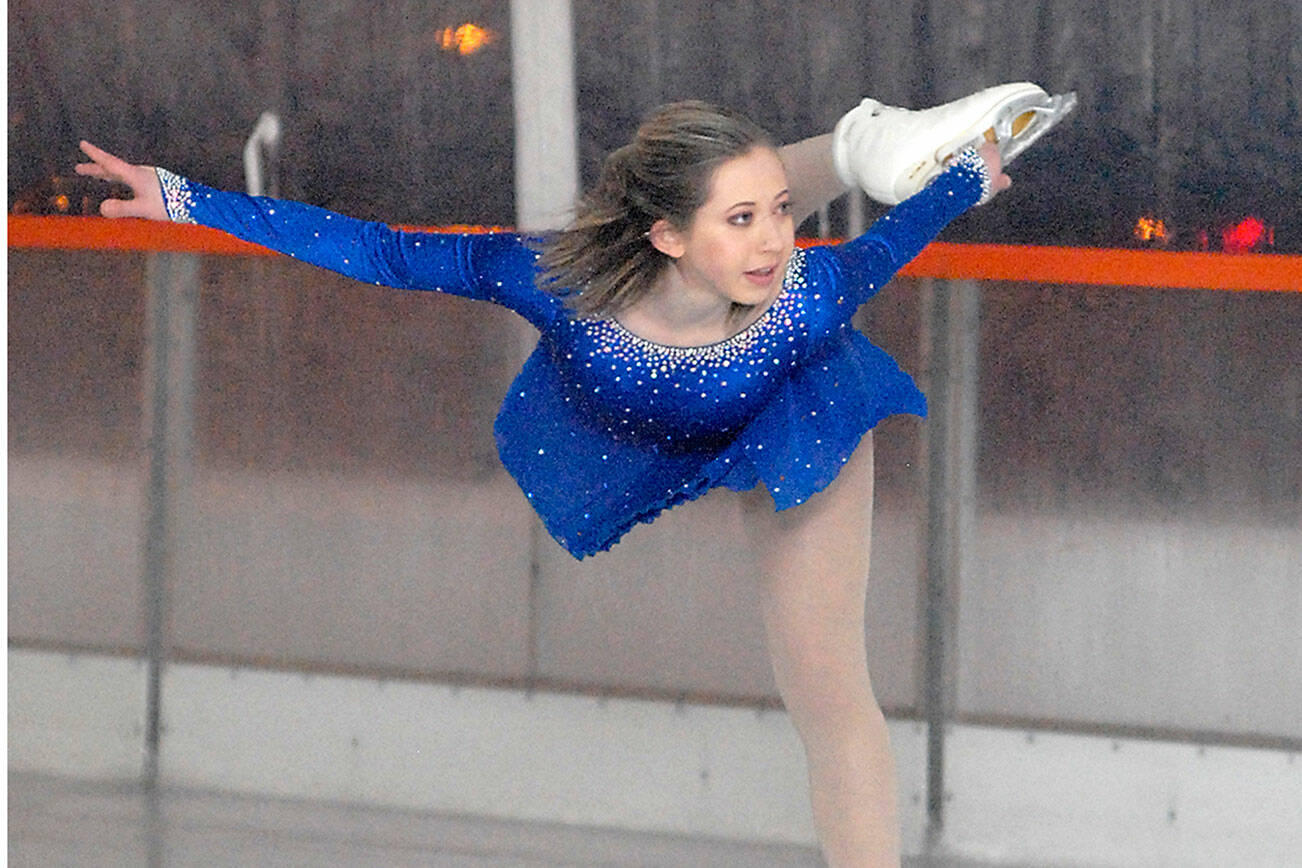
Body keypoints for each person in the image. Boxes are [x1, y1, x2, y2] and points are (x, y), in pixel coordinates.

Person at [78, 86, 1065, 865]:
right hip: (646, 417)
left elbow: (890, 240)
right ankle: (854, 142)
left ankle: (858, 149)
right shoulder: (552, 279)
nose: (776, 240)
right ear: (666, 237)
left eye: (780, 213)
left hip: (801, 413)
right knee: (737, 209)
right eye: (741, 219)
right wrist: (182, 197)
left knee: (824, 684)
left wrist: (963, 178)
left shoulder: (809, 295)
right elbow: (380, 252)